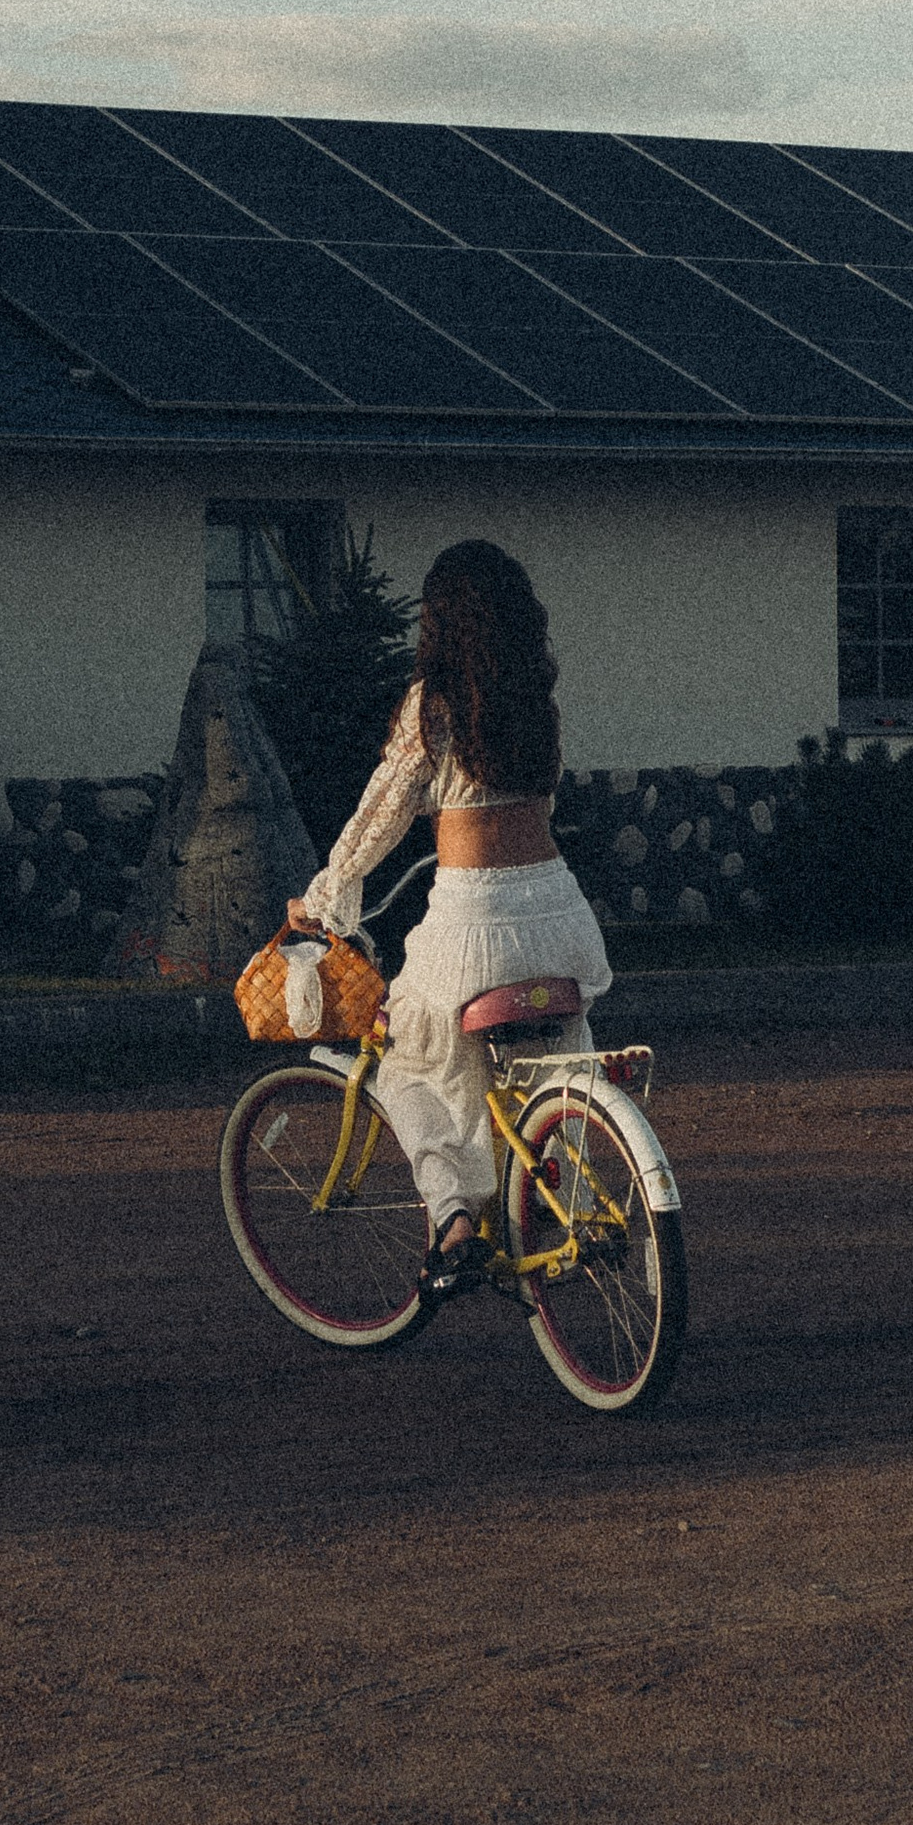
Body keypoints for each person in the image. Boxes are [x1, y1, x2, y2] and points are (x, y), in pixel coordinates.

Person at [287, 537, 611, 1302]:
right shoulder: (539, 706)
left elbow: (381, 817)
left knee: (403, 1059)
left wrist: (326, 897)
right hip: (561, 916)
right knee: (563, 1070)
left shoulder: (432, 706)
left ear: (441, 624)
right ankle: (584, 1203)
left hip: (473, 929)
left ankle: (455, 1224)